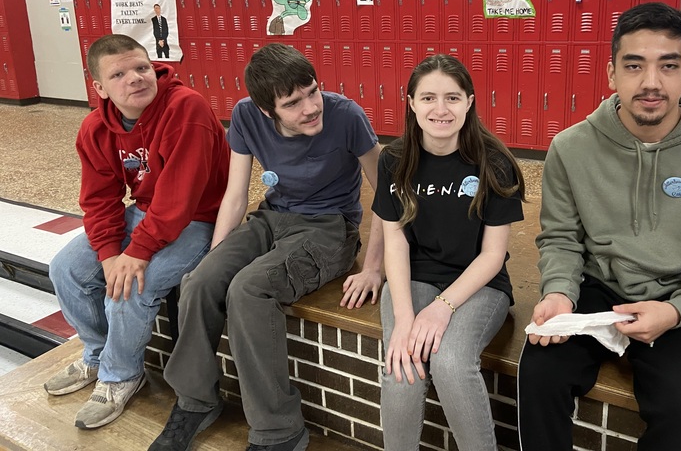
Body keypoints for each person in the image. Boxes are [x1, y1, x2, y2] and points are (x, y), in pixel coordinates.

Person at [517, 2, 681, 451]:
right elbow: (561, 238)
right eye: (634, 66)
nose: (651, 82)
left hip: (680, 293)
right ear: (611, 73)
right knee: (537, 376)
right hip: (595, 289)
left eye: (667, 66)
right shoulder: (571, 147)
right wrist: (557, 292)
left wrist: (678, 310)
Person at [150, 43, 384, 451]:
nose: (311, 107)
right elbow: (236, 194)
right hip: (272, 217)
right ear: (265, 109)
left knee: (249, 290)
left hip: (330, 227)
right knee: (201, 280)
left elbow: (387, 194)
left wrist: (374, 268)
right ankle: (196, 400)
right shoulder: (244, 115)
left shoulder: (345, 115)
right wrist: (217, 255)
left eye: (312, 92)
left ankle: (279, 431)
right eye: (293, 103)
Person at [44, 34, 230, 430]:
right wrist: (110, 254)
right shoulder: (96, 128)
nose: (135, 78)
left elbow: (180, 198)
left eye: (142, 67)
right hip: (145, 213)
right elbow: (99, 199)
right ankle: (97, 355)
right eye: (119, 74)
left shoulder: (186, 108)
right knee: (66, 269)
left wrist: (137, 253)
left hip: (200, 219)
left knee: (131, 288)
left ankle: (120, 376)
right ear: (99, 87)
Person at [373, 55, 525, 451]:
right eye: (428, 98)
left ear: (470, 102)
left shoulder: (493, 164)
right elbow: (396, 241)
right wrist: (405, 317)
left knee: (452, 363)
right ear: (410, 102)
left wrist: (442, 307)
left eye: (453, 98)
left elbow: (493, 255)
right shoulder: (393, 159)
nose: (440, 110)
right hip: (414, 277)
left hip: (479, 283)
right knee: (401, 361)